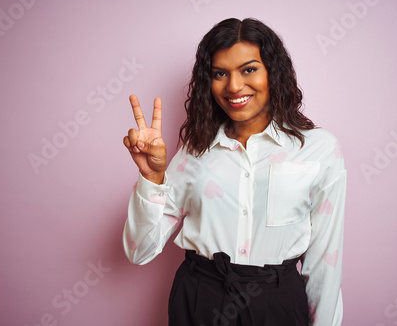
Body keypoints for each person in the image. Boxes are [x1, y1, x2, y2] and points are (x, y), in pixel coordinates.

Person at [122, 18, 347, 326]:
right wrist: (152, 178)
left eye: (249, 69)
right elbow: (140, 252)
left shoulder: (318, 149)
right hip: (199, 298)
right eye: (220, 74)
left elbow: (325, 262)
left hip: (278, 303)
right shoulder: (195, 150)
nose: (234, 86)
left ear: (273, 72)